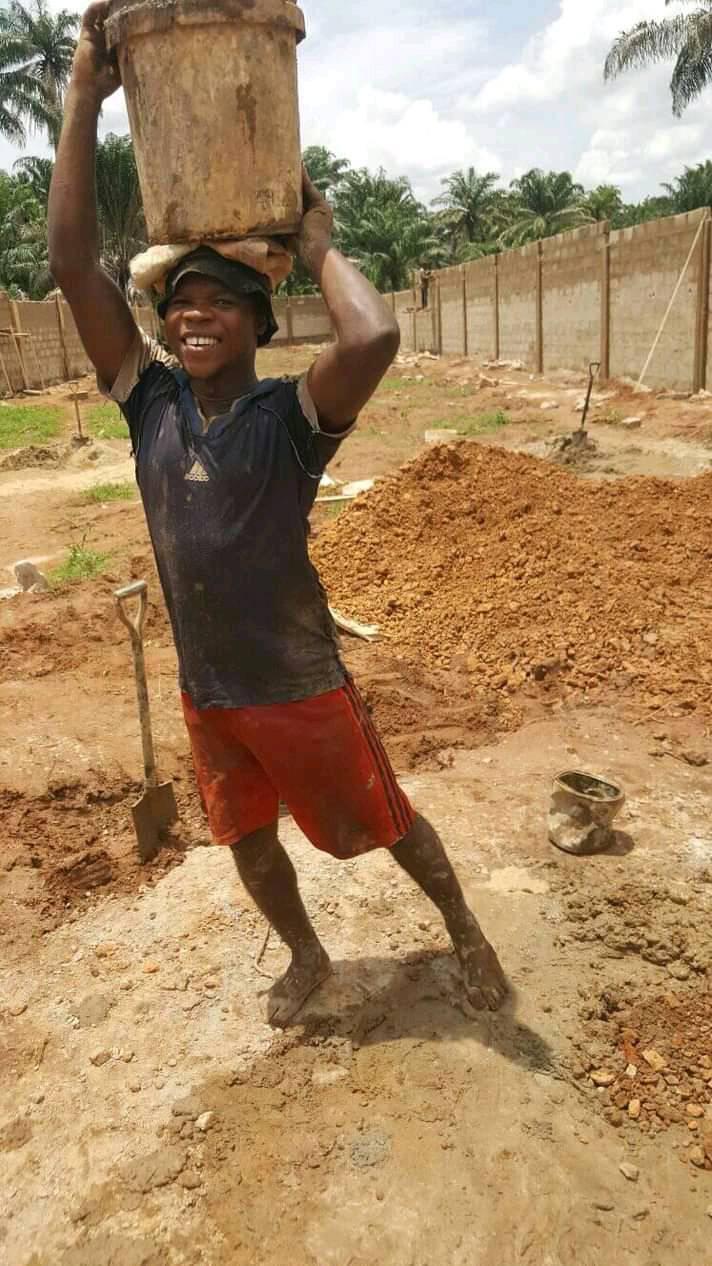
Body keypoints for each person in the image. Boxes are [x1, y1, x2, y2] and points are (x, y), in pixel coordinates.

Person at [49, 2, 507, 1027]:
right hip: (210, 687)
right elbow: (74, 267)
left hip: (299, 681)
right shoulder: (150, 403)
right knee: (246, 840)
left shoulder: (288, 421)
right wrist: (83, 92)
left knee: (385, 819)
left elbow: (373, 336)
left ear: (259, 323)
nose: (192, 314)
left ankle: (467, 930)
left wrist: (316, 242)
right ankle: (305, 954)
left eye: (219, 300)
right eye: (180, 301)